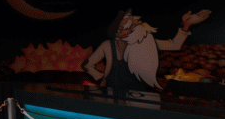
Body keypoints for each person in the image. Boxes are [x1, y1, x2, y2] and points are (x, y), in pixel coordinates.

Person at [83, 9, 211, 92]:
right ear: (118, 31)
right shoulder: (107, 45)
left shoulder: (145, 42)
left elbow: (174, 45)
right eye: (127, 26)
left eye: (133, 24)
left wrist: (186, 25)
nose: (133, 26)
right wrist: (102, 78)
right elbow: (87, 65)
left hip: (137, 93)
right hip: (112, 92)